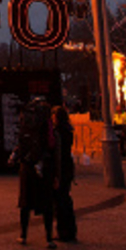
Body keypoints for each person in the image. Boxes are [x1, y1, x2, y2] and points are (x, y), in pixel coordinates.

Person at [11, 98, 57, 248]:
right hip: (43, 165)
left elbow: (21, 141)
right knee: (46, 202)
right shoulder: (46, 122)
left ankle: (23, 235)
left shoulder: (26, 121)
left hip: (26, 165)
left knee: (25, 202)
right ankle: (49, 238)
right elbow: (51, 143)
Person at [52, 103, 79, 241]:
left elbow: (57, 153)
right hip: (67, 167)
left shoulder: (57, 132)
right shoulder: (68, 130)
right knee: (66, 199)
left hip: (60, 168)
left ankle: (62, 231)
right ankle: (70, 230)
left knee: (60, 200)